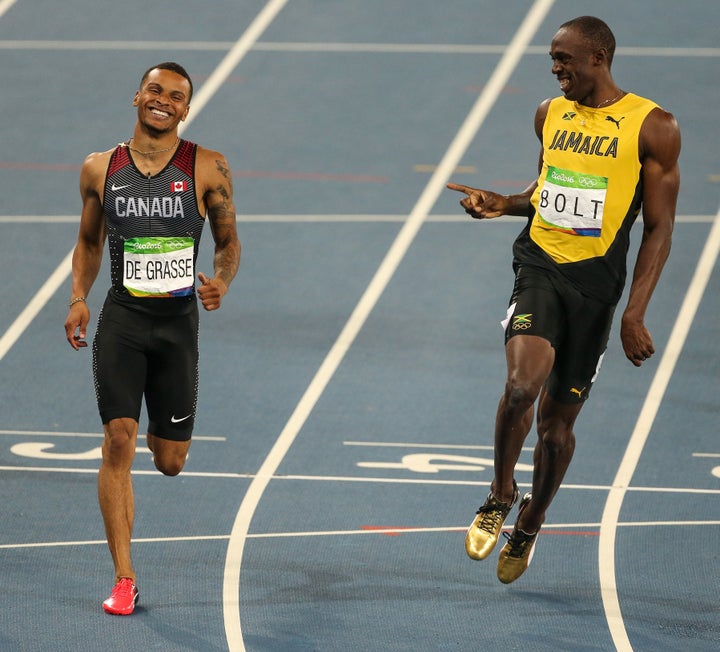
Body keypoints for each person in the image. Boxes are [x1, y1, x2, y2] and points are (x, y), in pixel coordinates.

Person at [447, 16, 680, 583]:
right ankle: (501, 491)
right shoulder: (550, 115)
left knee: (555, 429)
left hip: (597, 289)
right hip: (540, 266)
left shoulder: (653, 127)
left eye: (564, 59)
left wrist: (634, 311)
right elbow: (547, 188)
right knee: (522, 384)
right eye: (553, 59)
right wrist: (502, 203)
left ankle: (532, 520)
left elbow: (659, 227)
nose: (555, 69)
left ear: (598, 57)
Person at [63, 62, 241, 614]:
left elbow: (229, 241)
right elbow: (89, 243)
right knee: (118, 439)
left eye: (176, 96)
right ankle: (123, 577)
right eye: (155, 90)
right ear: (137, 95)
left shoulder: (208, 166)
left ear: (186, 109)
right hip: (122, 320)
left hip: (177, 326)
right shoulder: (100, 168)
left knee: (169, 462)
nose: (163, 101)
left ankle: (158, 437)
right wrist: (77, 298)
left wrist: (222, 283)